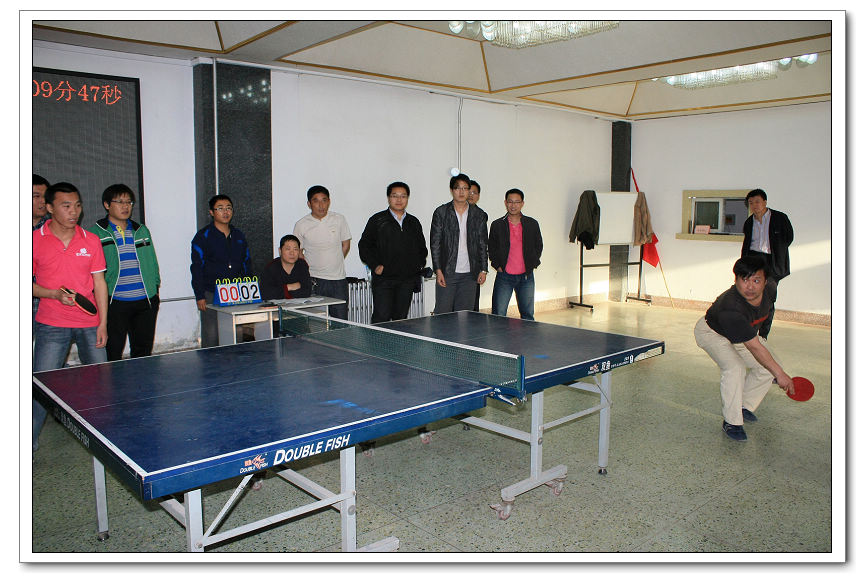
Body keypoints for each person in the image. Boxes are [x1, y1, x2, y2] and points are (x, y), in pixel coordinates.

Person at [32, 182, 108, 452]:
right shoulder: (33, 240)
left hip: (89, 324)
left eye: (77, 205)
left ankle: (106, 440)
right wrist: (53, 294)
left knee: (102, 385)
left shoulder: (91, 240)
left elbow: (99, 283)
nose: (73, 211)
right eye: (66, 206)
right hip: (51, 323)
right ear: (50, 208)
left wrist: (103, 323)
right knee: (41, 387)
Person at [694, 255, 796, 442]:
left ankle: (744, 405)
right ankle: (732, 422)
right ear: (736, 280)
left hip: (741, 334)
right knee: (735, 368)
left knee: (770, 366)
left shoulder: (769, 292)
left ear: (766, 282)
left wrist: (776, 370)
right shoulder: (730, 308)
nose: (750, 287)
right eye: (744, 280)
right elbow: (754, 347)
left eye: (756, 280)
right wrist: (780, 375)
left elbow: (758, 331)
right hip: (712, 333)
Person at [88, 184, 161, 361]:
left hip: (145, 301)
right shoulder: (95, 233)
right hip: (114, 302)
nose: (125, 206)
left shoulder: (141, 230)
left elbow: (152, 261)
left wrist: (154, 288)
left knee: (143, 354)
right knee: (112, 353)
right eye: (120, 202)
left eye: (129, 202)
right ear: (107, 205)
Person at [358, 181, 428, 323]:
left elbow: (422, 248)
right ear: (388, 198)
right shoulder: (377, 220)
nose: (399, 200)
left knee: (400, 319)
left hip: (407, 279)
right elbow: (364, 246)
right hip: (384, 279)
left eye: (403, 196)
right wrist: (375, 265)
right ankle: (376, 339)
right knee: (381, 317)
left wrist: (418, 265)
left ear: (407, 198)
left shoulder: (413, 222)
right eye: (395, 196)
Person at [190, 194, 251, 348]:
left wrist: (248, 288)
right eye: (220, 208)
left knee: (236, 333)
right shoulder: (203, 237)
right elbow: (196, 267)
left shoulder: (239, 235)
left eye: (229, 208)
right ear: (212, 212)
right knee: (212, 335)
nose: (225, 212)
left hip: (235, 292)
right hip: (212, 292)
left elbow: (247, 263)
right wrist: (200, 295)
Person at [429, 173, 488, 314]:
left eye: (465, 188)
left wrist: (483, 269)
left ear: (469, 190)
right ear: (451, 190)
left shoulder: (478, 214)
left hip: (470, 273)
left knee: (464, 316)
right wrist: (438, 270)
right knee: (443, 314)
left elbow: (482, 243)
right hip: (448, 272)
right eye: (457, 188)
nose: (461, 192)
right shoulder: (441, 212)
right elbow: (435, 243)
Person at [293, 185, 351, 320]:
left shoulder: (339, 219)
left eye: (324, 200)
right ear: (309, 204)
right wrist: (307, 268)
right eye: (316, 201)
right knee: (316, 321)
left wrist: (335, 261)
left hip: (338, 280)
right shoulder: (301, 224)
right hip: (314, 279)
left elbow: (346, 245)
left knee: (341, 320)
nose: (321, 205)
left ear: (329, 201)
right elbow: (298, 251)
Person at [489, 188, 543, 320]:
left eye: (517, 202)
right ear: (505, 203)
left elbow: (538, 245)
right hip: (504, 276)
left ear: (522, 203)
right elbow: (491, 248)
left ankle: (528, 335)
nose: (513, 205)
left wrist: (533, 263)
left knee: (528, 315)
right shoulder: (497, 225)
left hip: (526, 277)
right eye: (510, 202)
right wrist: (498, 266)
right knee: (498, 314)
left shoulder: (532, 224)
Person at [740, 189, 794, 283]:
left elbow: (788, 238)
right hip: (753, 258)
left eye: (757, 202)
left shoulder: (780, 218)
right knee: (753, 286)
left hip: (772, 259)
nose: (754, 205)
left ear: (765, 202)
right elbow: (746, 243)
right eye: (751, 203)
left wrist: (778, 250)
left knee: (770, 286)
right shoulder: (749, 222)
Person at [260, 234, 312, 300]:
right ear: (280, 251)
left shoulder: (302, 265)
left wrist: (282, 292)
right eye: (288, 249)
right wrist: (288, 287)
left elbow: (307, 291)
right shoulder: (271, 267)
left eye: (295, 249)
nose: (292, 253)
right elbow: (266, 293)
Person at [467, 179, 487, 311]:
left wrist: (483, 269)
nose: (471, 195)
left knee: (473, 305)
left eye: (474, 192)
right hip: (454, 270)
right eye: (469, 191)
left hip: (473, 268)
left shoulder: (481, 216)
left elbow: (483, 244)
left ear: (478, 196)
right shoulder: (449, 213)